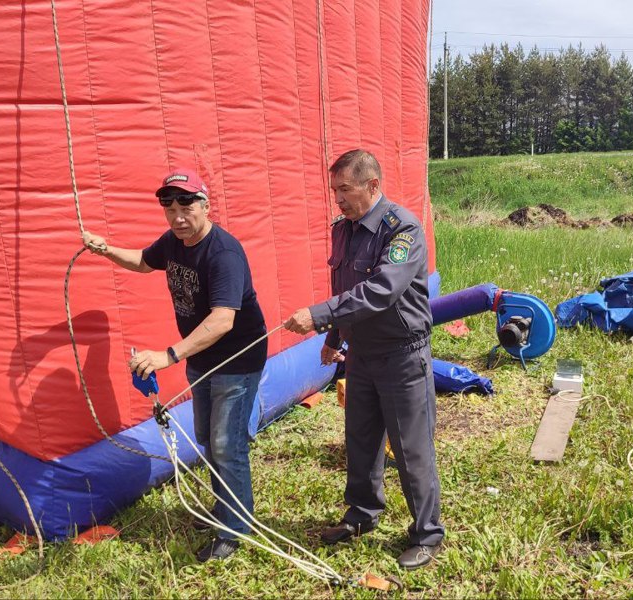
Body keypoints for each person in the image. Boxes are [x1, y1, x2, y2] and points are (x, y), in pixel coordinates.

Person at [83, 168, 267, 563]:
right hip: (202, 358)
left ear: (206, 204)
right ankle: (225, 508)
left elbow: (223, 320)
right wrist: (106, 249)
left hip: (237, 359)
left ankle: (234, 527)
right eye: (169, 206)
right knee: (206, 436)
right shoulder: (174, 242)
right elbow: (144, 262)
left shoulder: (224, 253)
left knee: (225, 444)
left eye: (186, 204)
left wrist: (167, 355)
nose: (177, 215)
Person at [284, 149, 444, 570]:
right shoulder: (344, 229)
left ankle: (427, 534)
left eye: (345, 189)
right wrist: (334, 336)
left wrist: (319, 317)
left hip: (402, 357)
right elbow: (344, 283)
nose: (337, 198)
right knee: (361, 440)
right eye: (334, 189)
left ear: (372, 185)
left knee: (411, 449)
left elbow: (381, 291)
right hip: (362, 357)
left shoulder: (402, 229)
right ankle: (361, 515)